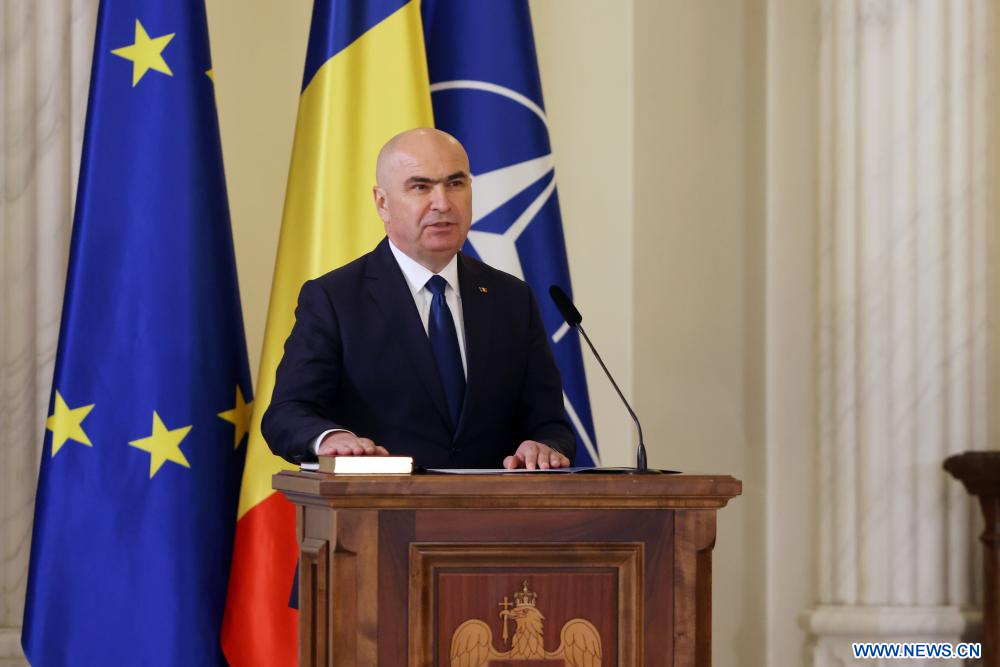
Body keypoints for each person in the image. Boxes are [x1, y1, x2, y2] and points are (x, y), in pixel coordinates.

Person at [262, 128, 575, 470]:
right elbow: (286, 413)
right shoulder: (335, 299)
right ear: (382, 202)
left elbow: (550, 424)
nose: (443, 203)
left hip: (492, 502)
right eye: (421, 187)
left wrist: (543, 445)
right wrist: (330, 438)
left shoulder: (511, 298)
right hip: (380, 500)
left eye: (456, 183)